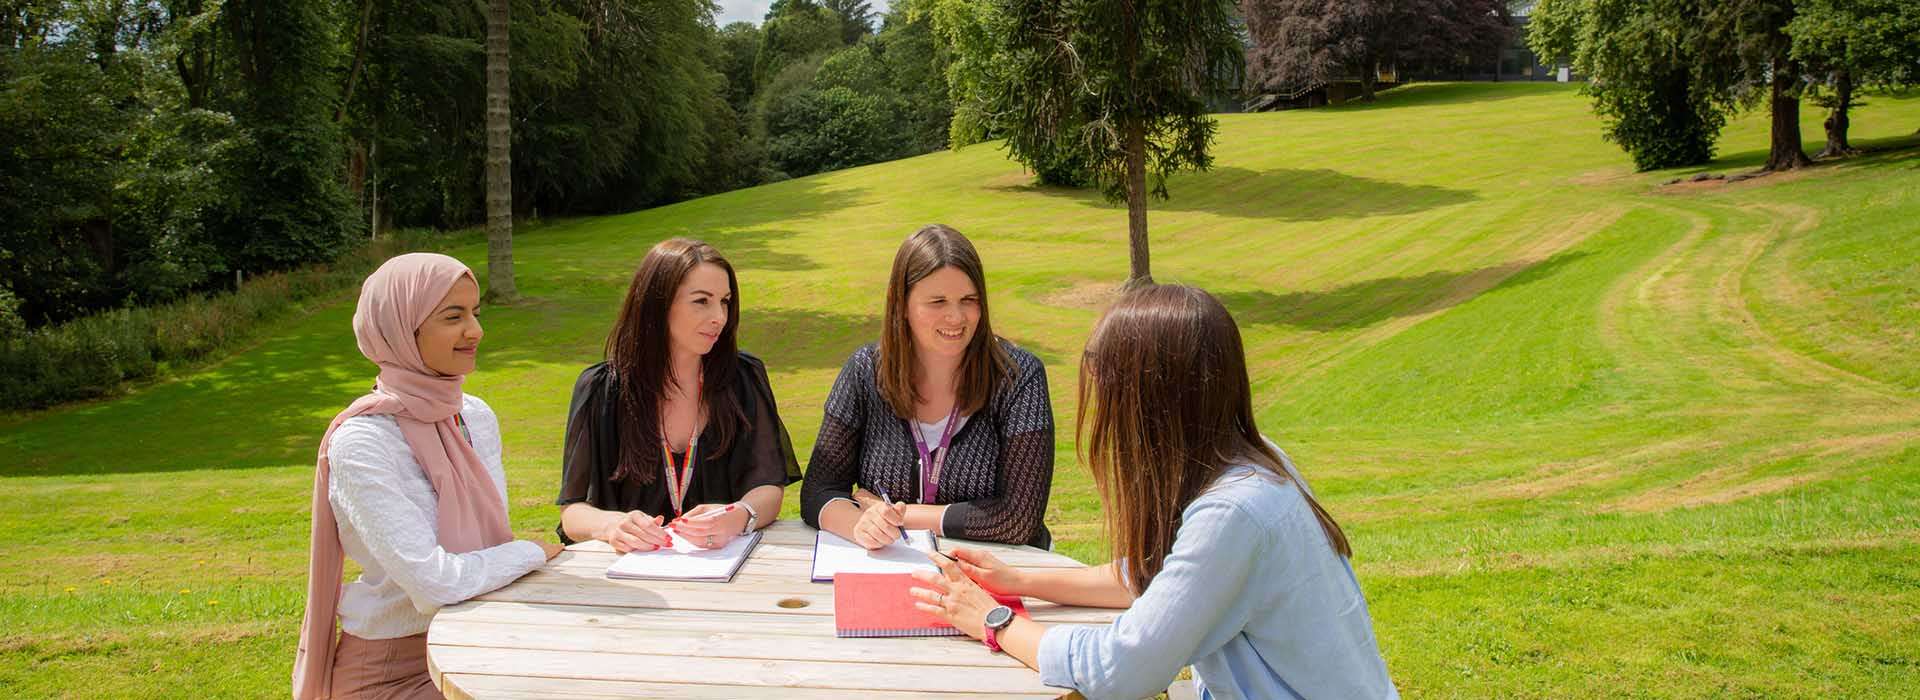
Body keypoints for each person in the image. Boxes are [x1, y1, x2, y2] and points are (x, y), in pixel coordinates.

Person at [907, 284, 1398, 699]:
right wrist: (1020, 582)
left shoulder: (1234, 513)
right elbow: (1164, 579)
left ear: (1151, 403)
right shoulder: (1254, 462)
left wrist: (994, 620)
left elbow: (1121, 670)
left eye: (1110, 395)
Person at [293, 253, 563, 700]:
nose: (475, 331)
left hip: (485, 638)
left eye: (475, 313)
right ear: (400, 330)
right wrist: (529, 552)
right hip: (394, 670)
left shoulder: (474, 417)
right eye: (453, 317)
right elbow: (434, 584)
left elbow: (479, 555)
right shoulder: (363, 442)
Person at [800, 224, 1055, 549]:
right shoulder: (865, 371)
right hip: (895, 565)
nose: (956, 317)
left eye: (969, 300)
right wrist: (861, 525)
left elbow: (1019, 521)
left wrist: (902, 515)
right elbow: (818, 491)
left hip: (1000, 569)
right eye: (938, 302)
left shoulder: (1018, 376)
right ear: (901, 305)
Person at [555, 238, 798, 553]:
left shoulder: (743, 378)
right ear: (658, 304)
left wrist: (739, 515)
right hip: (631, 571)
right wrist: (611, 525)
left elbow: (768, 488)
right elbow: (573, 512)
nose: (719, 317)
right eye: (701, 301)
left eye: (725, 301)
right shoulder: (601, 389)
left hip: (724, 567)